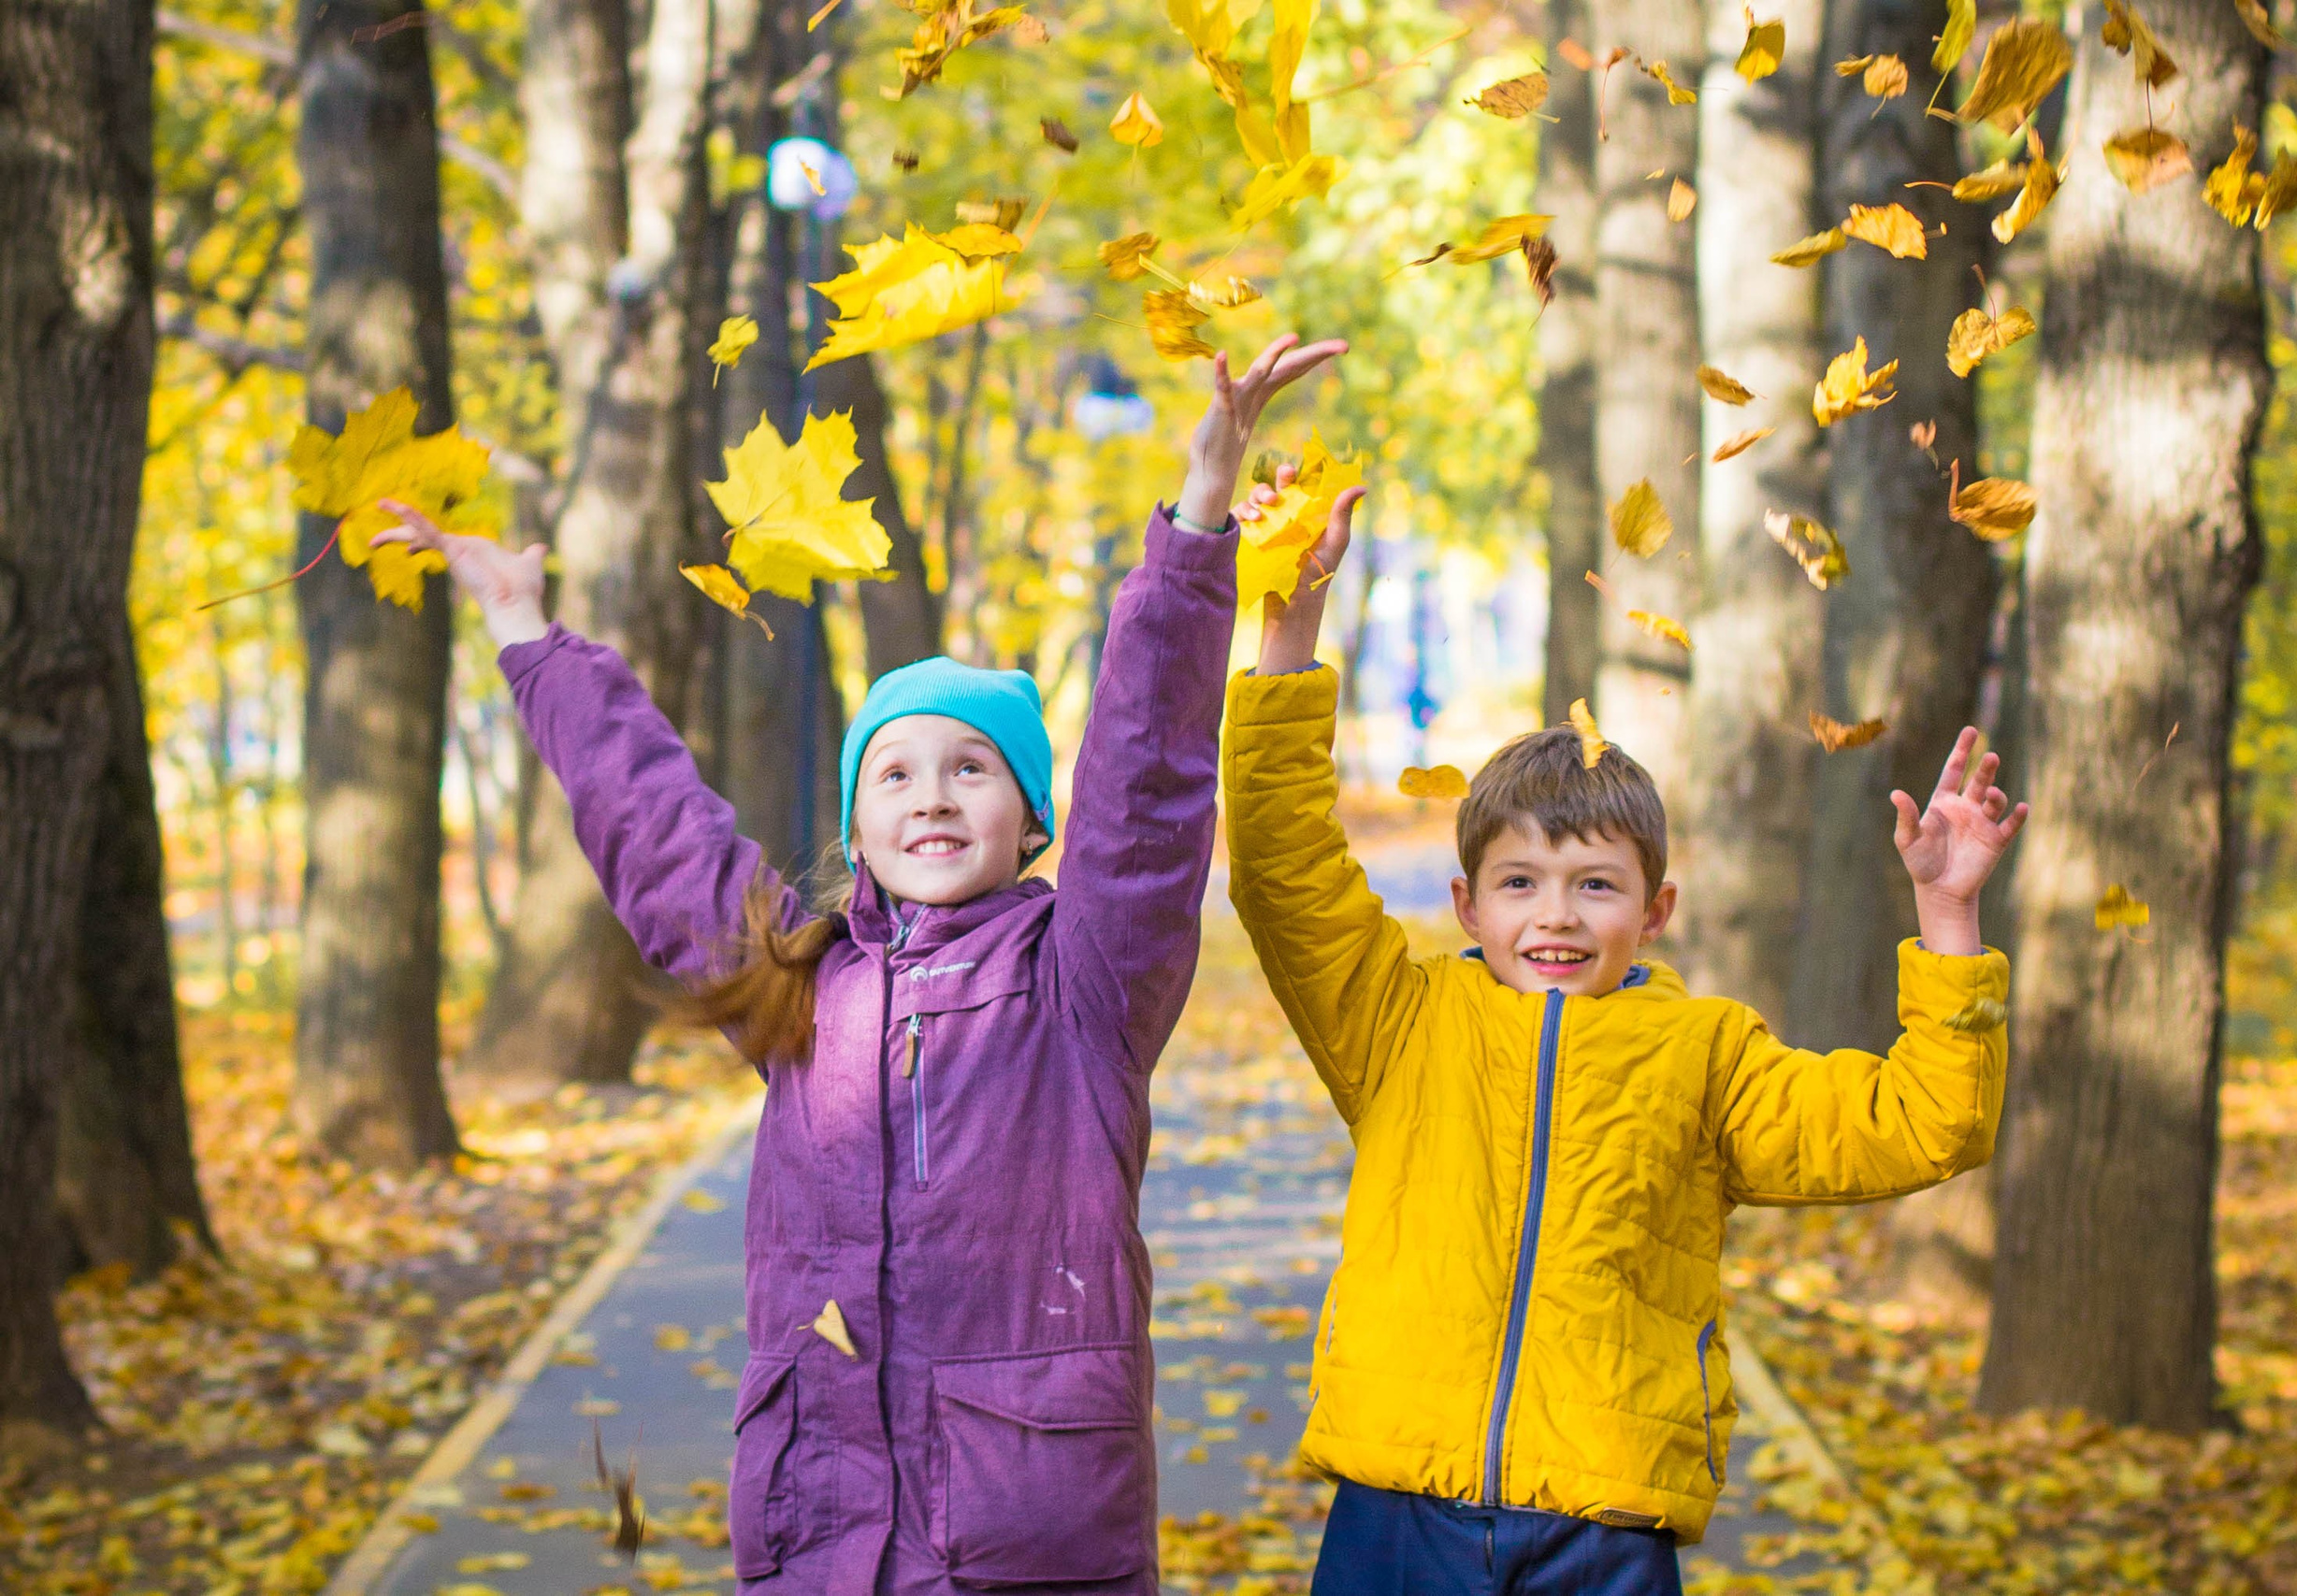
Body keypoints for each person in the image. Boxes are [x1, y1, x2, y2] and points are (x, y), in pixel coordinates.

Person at [372, 333, 1348, 1596]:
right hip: (820, 1523)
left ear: (1032, 817)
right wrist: (525, 628)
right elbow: (658, 830)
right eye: (895, 771)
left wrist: (1199, 515)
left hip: (1026, 1534)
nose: (932, 798)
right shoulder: (803, 980)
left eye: (971, 767)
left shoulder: (1085, 981)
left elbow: (1148, 784)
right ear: (858, 820)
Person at [1218, 476, 2027, 1596]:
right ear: (1466, 906)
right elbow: (1281, 869)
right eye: (1519, 883)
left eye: (1594, 884)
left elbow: (1922, 1124)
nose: (1553, 914)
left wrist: (1947, 917)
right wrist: (1288, 625)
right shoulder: (1399, 1021)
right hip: (1398, 1503)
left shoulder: (1706, 1054)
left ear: (1655, 910)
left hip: (1604, 1520)